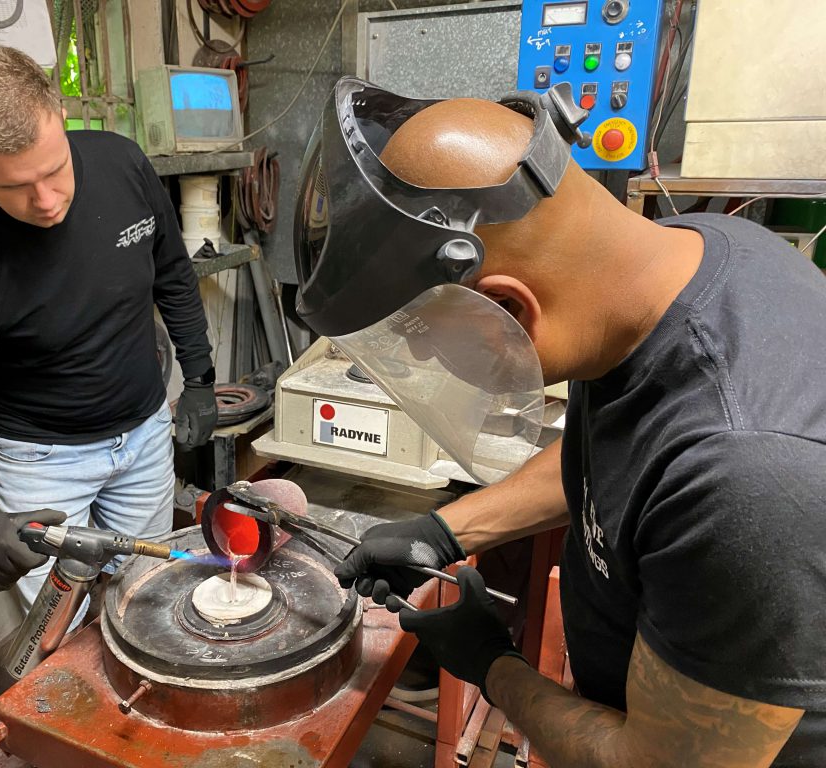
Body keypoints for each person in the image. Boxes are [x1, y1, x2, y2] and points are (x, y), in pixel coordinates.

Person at [296, 77, 826, 766]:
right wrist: (445, 529)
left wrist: (492, 664)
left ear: (509, 313)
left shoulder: (746, 474)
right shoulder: (680, 258)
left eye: (429, 344)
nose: (433, 361)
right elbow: (629, 456)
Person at [0, 46, 217, 611]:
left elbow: (173, 274)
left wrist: (199, 375)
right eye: (15, 187)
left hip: (145, 437)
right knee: (58, 632)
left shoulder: (123, 165)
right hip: (42, 465)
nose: (46, 201)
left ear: (61, 118)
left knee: (146, 604)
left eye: (55, 170)